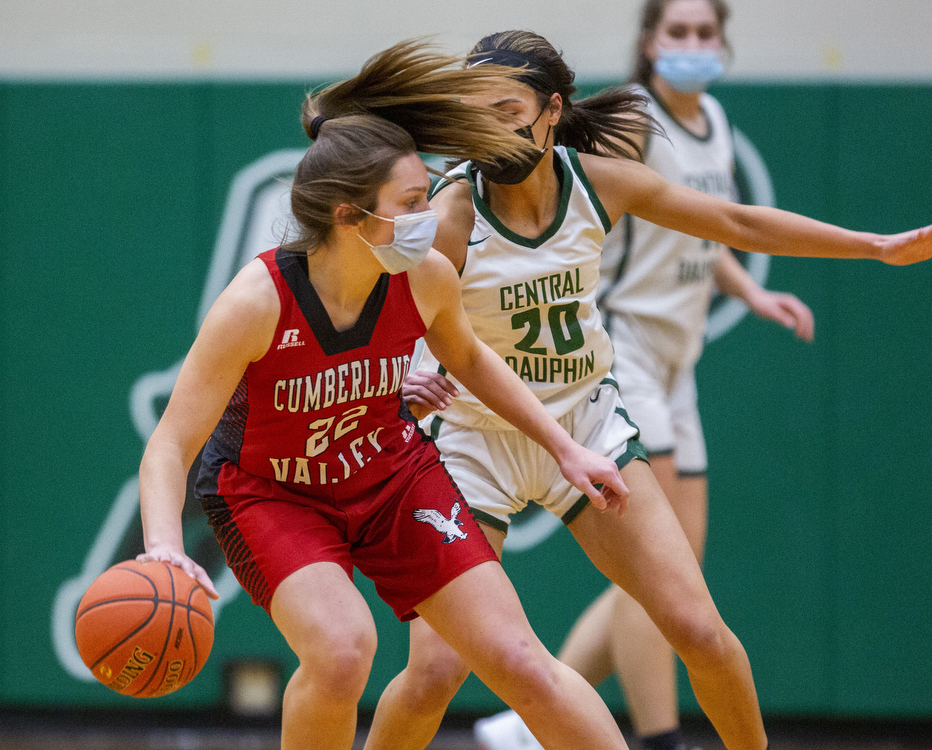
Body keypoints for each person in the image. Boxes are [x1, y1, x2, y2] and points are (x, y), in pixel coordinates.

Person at [357, 29, 932, 750]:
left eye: (508, 109)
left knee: (698, 630)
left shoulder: (596, 182)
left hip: (587, 424)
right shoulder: (454, 210)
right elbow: (381, 309)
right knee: (435, 672)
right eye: (476, 112)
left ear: (553, 110)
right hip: (474, 441)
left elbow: (736, 222)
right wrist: (403, 366)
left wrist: (875, 246)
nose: (491, 128)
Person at [136, 40, 643, 750]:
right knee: (343, 651)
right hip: (273, 493)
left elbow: (470, 359)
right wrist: (163, 548)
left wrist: (564, 447)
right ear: (349, 216)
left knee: (519, 660)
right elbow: (171, 444)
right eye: (410, 203)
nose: (427, 214)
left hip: (390, 474)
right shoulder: (256, 303)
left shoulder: (424, 275)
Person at [473, 3, 814, 750]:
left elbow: (704, 223)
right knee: (659, 582)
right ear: (649, 43)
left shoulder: (713, 122)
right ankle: (655, 732)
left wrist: (750, 288)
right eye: (678, 31)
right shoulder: (628, 127)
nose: (693, 45)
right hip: (613, 352)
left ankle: (531, 725)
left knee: (675, 581)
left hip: (674, 357)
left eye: (705, 32)